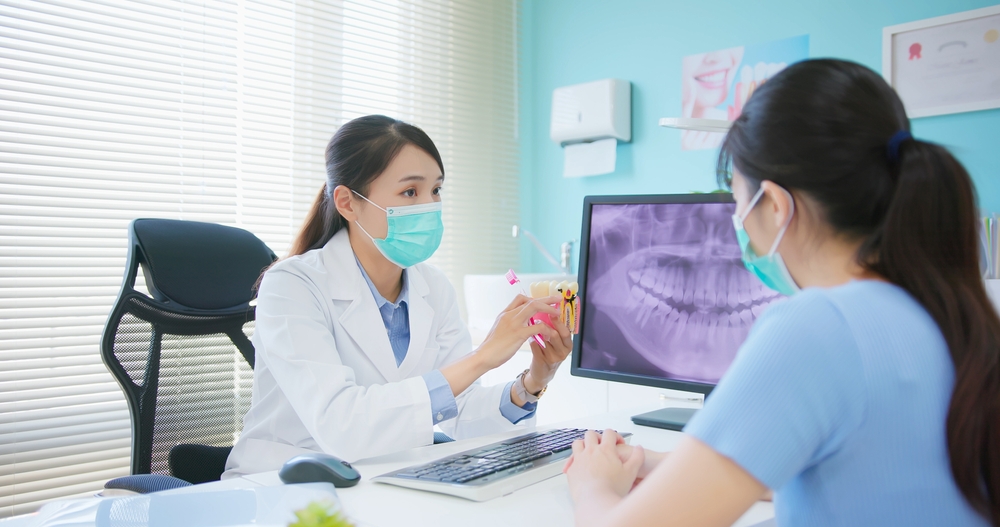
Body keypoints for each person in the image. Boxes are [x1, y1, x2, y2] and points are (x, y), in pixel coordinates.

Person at [564, 59, 999, 526]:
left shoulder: (818, 328)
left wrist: (593, 485)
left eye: (736, 202)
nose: (738, 225)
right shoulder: (944, 308)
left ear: (773, 204)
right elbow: (831, 463)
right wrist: (649, 460)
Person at [224, 115, 572, 477]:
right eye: (410, 192)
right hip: (283, 488)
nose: (429, 205)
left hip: (391, 483)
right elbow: (341, 425)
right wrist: (484, 357)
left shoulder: (433, 288)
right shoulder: (292, 285)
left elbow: (462, 414)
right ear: (347, 203)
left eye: (436, 190)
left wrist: (533, 381)